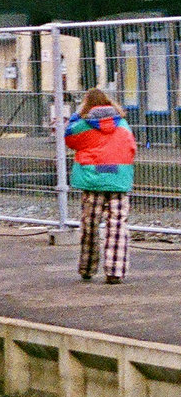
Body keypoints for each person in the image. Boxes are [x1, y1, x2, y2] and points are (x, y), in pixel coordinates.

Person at [64, 88, 137, 284]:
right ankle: (115, 271)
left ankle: (87, 267)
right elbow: (132, 147)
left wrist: (76, 115)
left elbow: (68, 138)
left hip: (92, 181)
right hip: (118, 180)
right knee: (118, 225)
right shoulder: (123, 124)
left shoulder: (82, 125)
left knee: (90, 225)